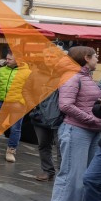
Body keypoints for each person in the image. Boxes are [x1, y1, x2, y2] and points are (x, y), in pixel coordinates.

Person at [48, 46, 101, 201]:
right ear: (86, 58)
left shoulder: (85, 77)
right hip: (76, 130)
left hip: (91, 131)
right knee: (72, 172)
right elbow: (66, 105)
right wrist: (91, 119)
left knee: (87, 175)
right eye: (95, 56)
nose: (98, 59)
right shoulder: (73, 77)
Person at [25, 48, 65, 182]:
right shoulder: (35, 73)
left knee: (61, 146)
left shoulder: (64, 73)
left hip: (59, 116)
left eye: (52, 56)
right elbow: (26, 90)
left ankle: (62, 173)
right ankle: (47, 171)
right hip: (39, 115)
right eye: (46, 56)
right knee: (43, 144)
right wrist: (33, 106)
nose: (48, 59)